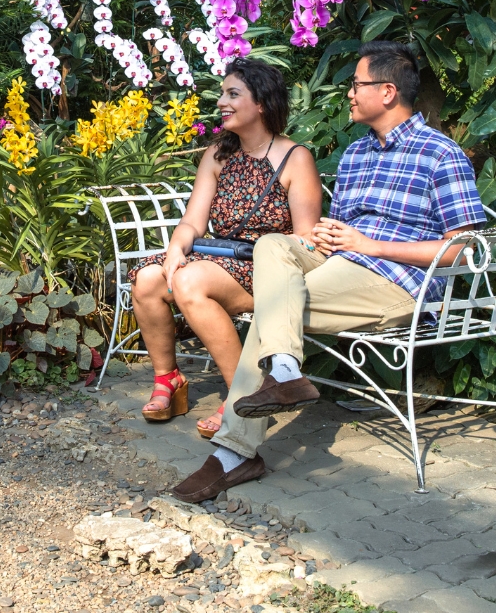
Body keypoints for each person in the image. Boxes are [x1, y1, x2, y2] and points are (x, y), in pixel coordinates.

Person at [172, 41, 489, 503]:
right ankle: (282, 369)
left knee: (273, 311)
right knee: (275, 243)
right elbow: (339, 229)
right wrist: (323, 237)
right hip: (342, 263)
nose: (349, 94)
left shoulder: (439, 154)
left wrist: (370, 244)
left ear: (386, 92)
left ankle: (235, 453)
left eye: (357, 85)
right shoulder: (358, 153)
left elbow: (463, 250)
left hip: (396, 281)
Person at [130, 58, 322, 434]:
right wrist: (175, 249)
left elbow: (305, 241)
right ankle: (168, 378)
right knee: (148, 278)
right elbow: (192, 222)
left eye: (233, 94)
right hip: (218, 258)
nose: (222, 102)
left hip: (267, 267)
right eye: (222, 93)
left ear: (262, 103)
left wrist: (190, 264)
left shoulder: (295, 158)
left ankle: (244, 395)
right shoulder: (219, 155)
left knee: (188, 282)